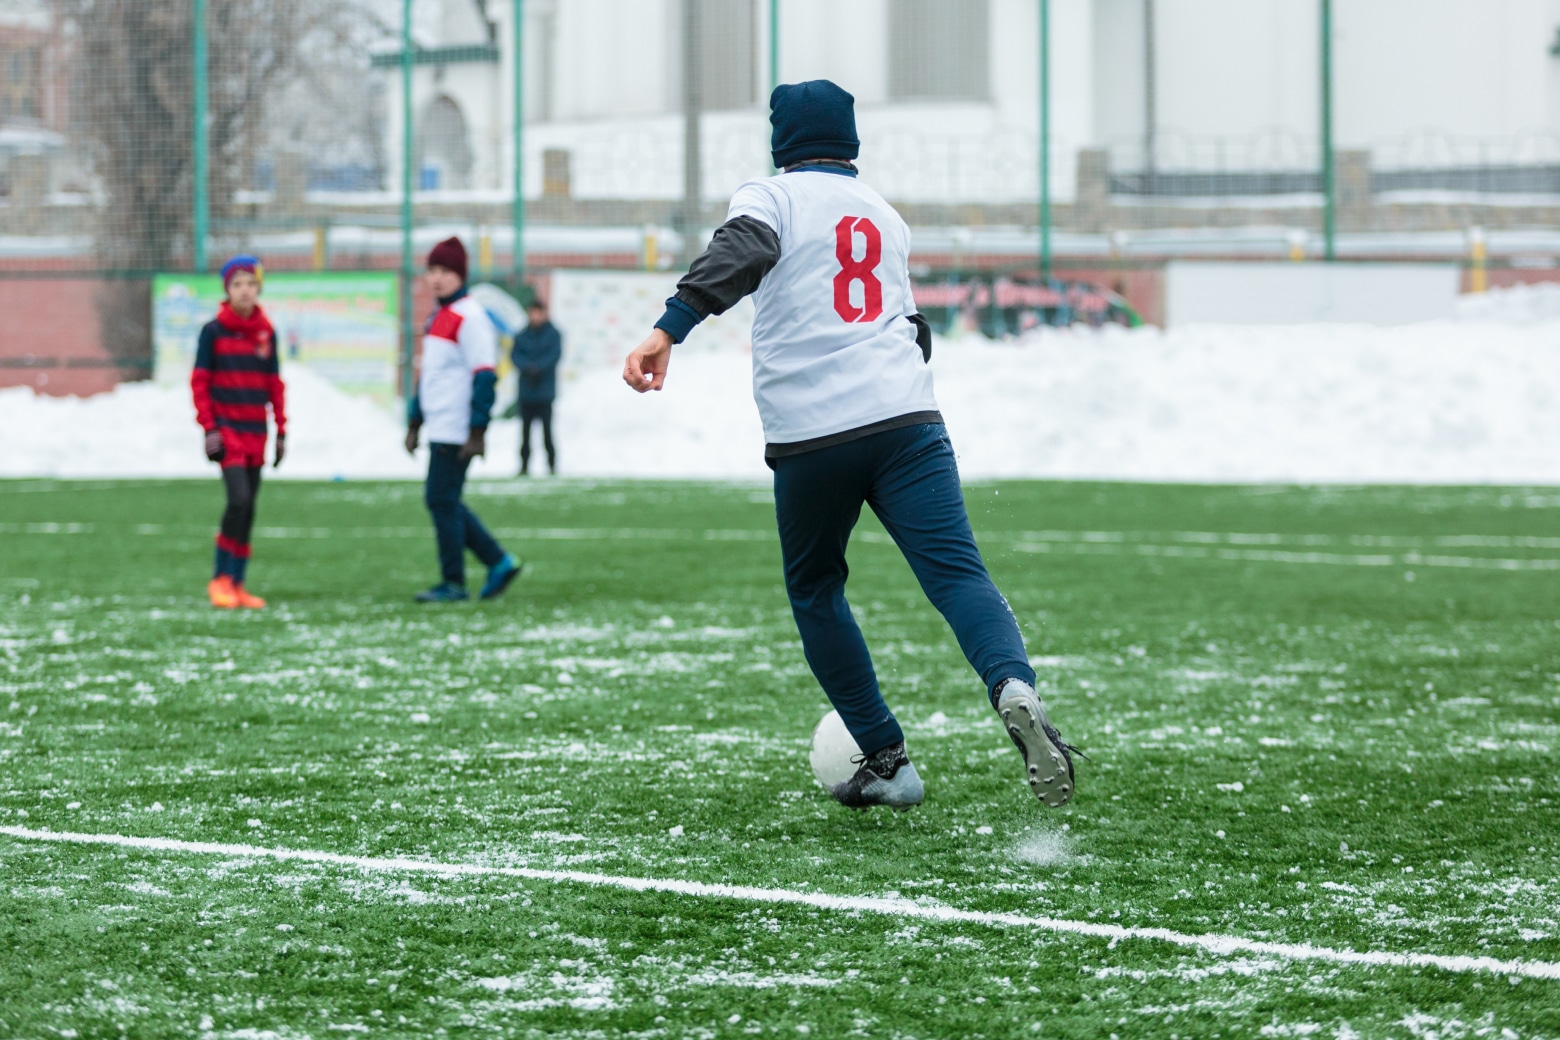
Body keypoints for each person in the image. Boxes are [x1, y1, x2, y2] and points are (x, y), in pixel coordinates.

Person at [623, 81, 1079, 812]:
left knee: (816, 590)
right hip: (909, 423)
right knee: (958, 574)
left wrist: (668, 326)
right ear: (851, 142)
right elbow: (914, 328)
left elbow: (739, 253)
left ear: (783, 144)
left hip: (813, 434)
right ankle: (1012, 683)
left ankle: (888, 757)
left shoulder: (772, 197)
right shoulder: (885, 216)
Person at [405, 236, 523, 603]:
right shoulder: (438, 316)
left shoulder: (470, 317)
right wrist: (414, 421)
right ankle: (498, 561)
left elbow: (485, 376)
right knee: (445, 500)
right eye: (432, 271)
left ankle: (455, 582)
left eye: (446, 271)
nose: (437, 278)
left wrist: (477, 430)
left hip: (456, 427)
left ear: (460, 275)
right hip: (440, 424)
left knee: (441, 500)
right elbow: (430, 376)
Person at [191, 255, 286, 610]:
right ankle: (220, 579)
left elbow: (274, 385)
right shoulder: (212, 332)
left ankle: (239, 583)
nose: (244, 290)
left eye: (250, 283)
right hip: (228, 432)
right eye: (237, 284)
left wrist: (281, 431)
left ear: (259, 287)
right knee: (238, 500)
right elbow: (200, 383)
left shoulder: (266, 334)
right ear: (227, 290)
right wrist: (209, 428)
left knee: (250, 510)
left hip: (256, 432)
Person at [511, 298, 561, 475]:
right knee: (525, 434)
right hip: (526, 392)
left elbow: (554, 356)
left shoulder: (553, 334)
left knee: (547, 433)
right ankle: (524, 465)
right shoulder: (521, 335)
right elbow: (515, 356)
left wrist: (538, 367)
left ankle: (552, 465)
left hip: (544, 393)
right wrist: (527, 367)